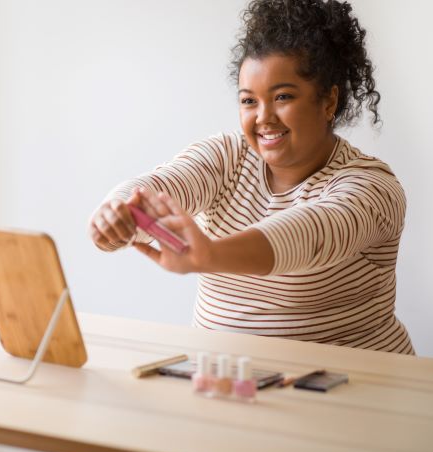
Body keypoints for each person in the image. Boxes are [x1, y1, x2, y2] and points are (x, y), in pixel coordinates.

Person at [90, 0, 414, 372]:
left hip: (355, 392)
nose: (263, 118)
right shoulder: (227, 156)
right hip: (231, 384)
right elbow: (159, 185)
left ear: (328, 101)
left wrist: (210, 254)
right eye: (249, 101)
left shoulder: (371, 187)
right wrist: (116, 217)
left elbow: (308, 235)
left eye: (283, 97)